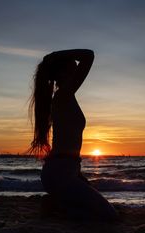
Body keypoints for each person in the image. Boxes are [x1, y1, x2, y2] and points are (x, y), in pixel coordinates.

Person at [29, 49, 117, 221]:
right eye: (73, 68)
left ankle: (57, 203)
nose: (77, 71)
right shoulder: (63, 95)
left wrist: (77, 174)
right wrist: (55, 56)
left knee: (102, 211)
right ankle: (56, 206)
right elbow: (89, 55)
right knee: (109, 216)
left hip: (66, 170)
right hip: (59, 173)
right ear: (63, 73)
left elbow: (69, 145)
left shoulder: (65, 97)